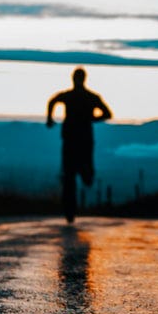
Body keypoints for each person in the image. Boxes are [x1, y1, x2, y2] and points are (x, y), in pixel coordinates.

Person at [46, 67, 112, 223]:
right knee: (70, 176)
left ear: (74, 79)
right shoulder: (90, 97)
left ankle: (71, 207)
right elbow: (107, 114)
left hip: (75, 140)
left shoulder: (75, 96)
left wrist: (49, 118)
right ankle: (70, 211)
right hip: (79, 140)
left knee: (73, 175)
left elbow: (53, 101)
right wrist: (91, 118)